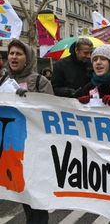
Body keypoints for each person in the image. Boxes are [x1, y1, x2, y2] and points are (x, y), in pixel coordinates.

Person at [1, 39, 53, 224]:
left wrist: (31, 101)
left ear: (28, 58)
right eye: (11, 53)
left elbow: (52, 115)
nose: (14, 57)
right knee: (23, 199)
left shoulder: (40, 81)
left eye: (18, 53)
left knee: (37, 204)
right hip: (13, 152)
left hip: (36, 153)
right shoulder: (3, 82)